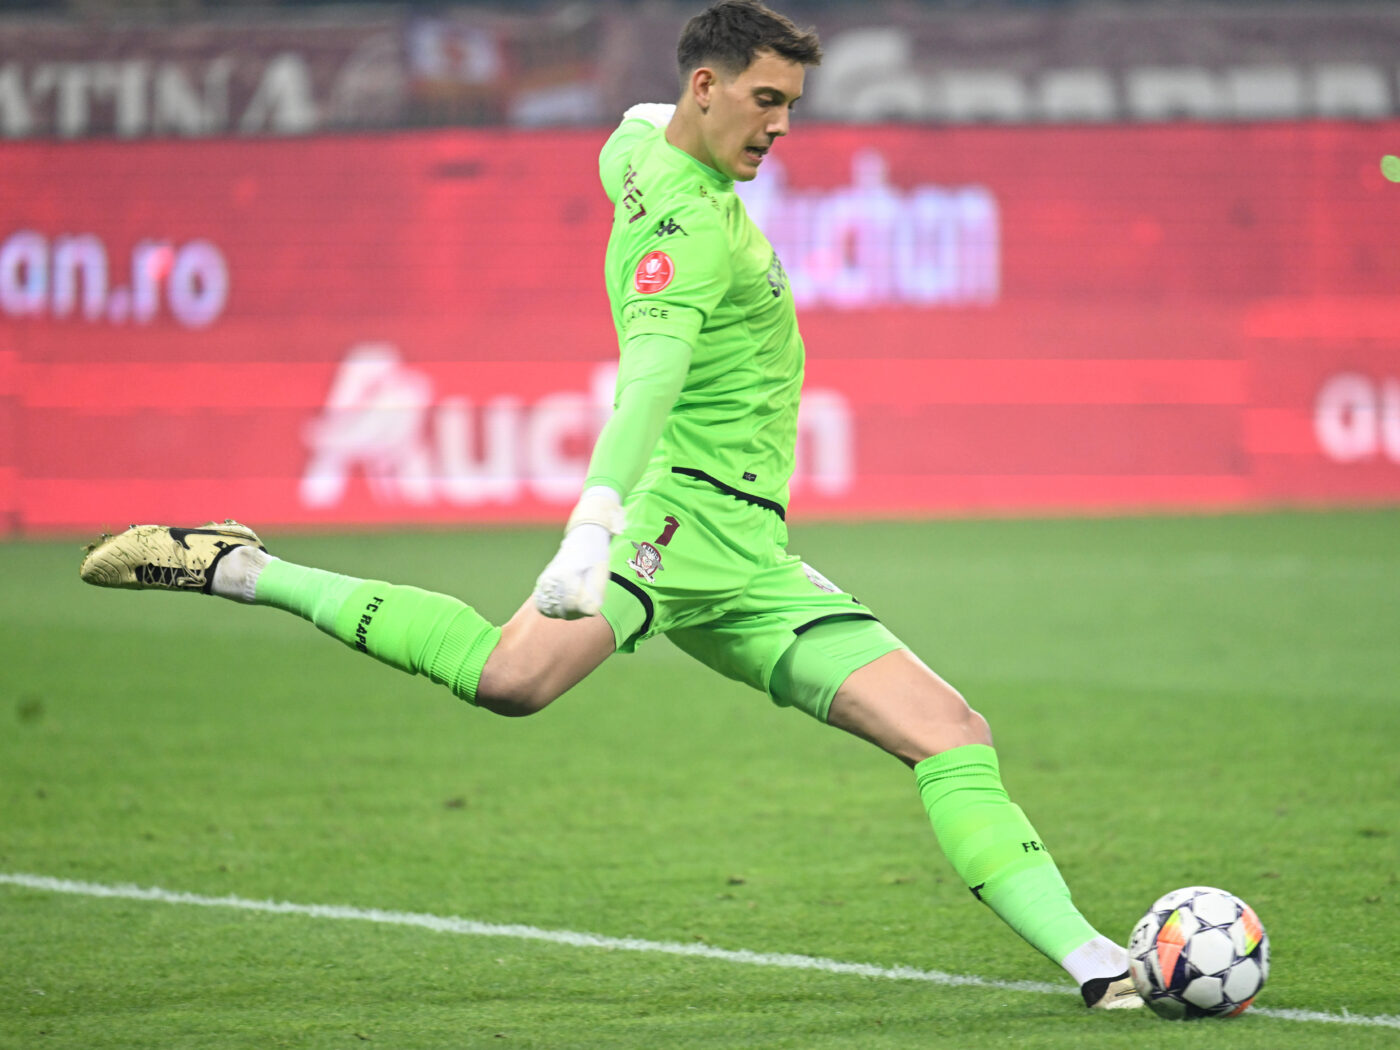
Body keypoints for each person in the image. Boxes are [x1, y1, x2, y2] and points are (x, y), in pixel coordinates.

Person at [80, 0, 1141, 1011]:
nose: (780, 126)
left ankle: (1096, 963)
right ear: (707, 86)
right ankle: (241, 568)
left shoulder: (639, 149)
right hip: (676, 521)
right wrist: (593, 527)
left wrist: (667, 118)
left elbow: (632, 126)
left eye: (790, 105)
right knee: (511, 680)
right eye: (766, 100)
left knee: (951, 731)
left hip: (750, 551)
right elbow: (648, 382)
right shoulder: (685, 229)